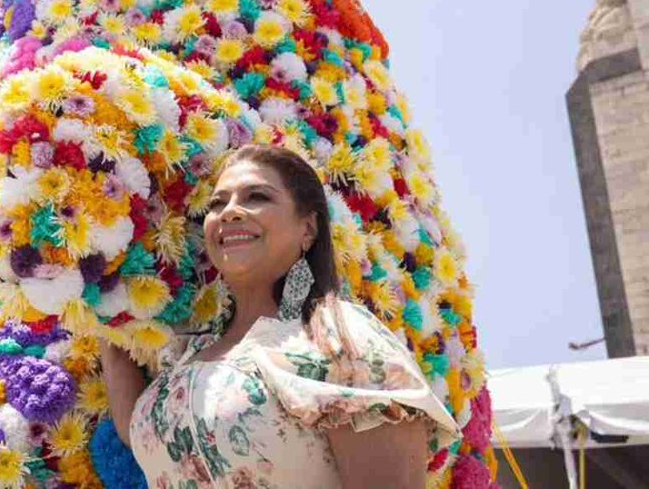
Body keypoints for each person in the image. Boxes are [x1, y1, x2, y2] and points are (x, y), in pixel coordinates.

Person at [100, 144, 459, 488]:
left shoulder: (339, 338)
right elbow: (144, 432)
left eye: (257, 197)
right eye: (217, 203)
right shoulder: (186, 354)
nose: (230, 212)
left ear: (308, 229)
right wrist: (105, 303)